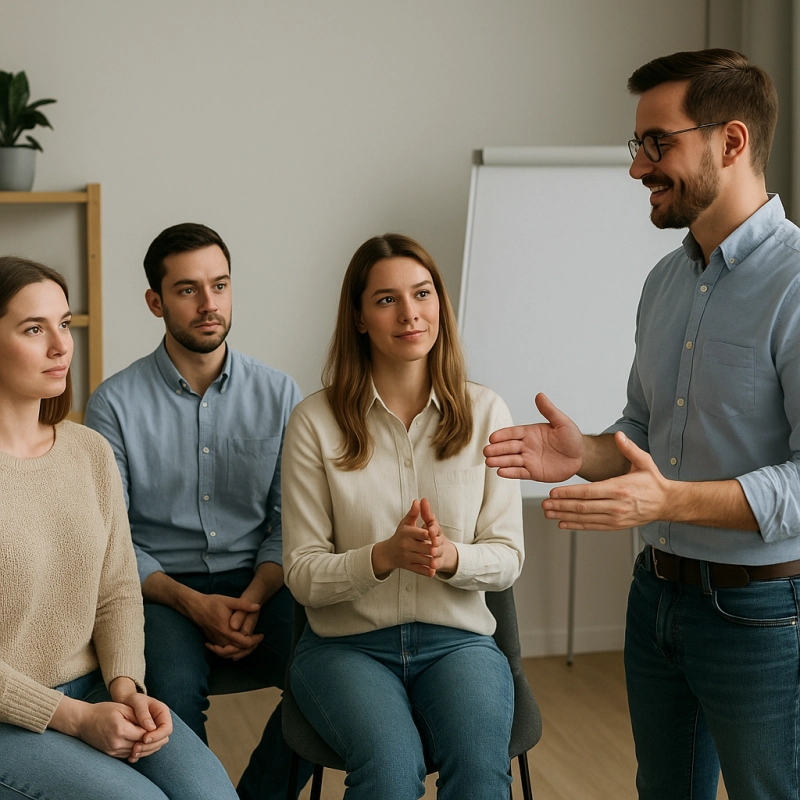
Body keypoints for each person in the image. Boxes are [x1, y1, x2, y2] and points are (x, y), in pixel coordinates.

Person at [484, 48, 800, 800]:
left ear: (731, 142)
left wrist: (671, 501)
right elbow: (644, 433)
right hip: (655, 600)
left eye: (659, 144)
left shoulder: (794, 282)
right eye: (639, 146)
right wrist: (587, 451)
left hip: (758, 614)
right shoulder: (665, 280)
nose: (638, 168)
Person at [281, 233, 524, 799]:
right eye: (387, 299)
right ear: (360, 318)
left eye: (422, 293)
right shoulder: (314, 422)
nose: (411, 313)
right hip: (346, 649)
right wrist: (383, 557)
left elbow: (508, 559)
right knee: (390, 770)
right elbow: (300, 571)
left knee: (480, 770)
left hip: (457, 643)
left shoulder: (487, 412)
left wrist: (450, 556)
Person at [84, 223, 309, 800]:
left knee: (328, 678)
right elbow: (112, 540)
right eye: (187, 290)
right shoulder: (113, 403)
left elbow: (293, 519)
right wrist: (192, 603)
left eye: (220, 285)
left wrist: (254, 597)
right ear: (155, 302)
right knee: (169, 704)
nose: (209, 304)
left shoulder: (280, 394)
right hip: (161, 590)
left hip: (264, 579)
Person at [0, 256, 237, 800]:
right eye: (34, 329)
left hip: (94, 687)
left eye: (64, 323)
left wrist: (126, 686)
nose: (61, 345)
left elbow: (117, 591)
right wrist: (76, 719)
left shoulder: (88, 452)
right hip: (11, 716)